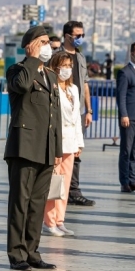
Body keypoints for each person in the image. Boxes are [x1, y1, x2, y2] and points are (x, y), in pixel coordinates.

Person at [4, 25, 60, 271]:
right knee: (20, 202)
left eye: (49, 42)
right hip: (24, 147)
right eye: (44, 42)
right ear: (31, 45)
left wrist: (57, 150)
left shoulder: (51, 75)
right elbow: (23, 86)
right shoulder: (18, 70)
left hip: (46, 148)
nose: (48, 47)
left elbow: (53, 116)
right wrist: (32, 59)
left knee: (37, 204)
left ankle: (32, 251)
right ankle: (17, 255)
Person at [43, 52, 84, 237]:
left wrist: (79, 143)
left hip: (71, 143)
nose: (66, 69)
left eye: (69, 65)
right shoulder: (51, 88)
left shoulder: (73, 89)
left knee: (65, 185)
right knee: (54, 182)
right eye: (63, 65)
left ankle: (60, 220)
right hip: (56, 144)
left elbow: (76, 119)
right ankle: (49, 221)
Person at [61, 21, 95, 206]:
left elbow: (86, 84)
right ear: (67, 36)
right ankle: (61, 190)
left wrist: (88, 110)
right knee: (62, 152)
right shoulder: (57, 57)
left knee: (76, 152)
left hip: (78, 113)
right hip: (62, 112)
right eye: (77, 35)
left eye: (82, 35)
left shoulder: (81, 58)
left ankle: (73, 190)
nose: (80, 38)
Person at [116, 42, 135, 193]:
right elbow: (120, 96)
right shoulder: (125, 72)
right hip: (129, 117)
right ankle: (125, 181)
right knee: (126, 151)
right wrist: (124, 114)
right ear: (132, 53)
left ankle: (133, 180)